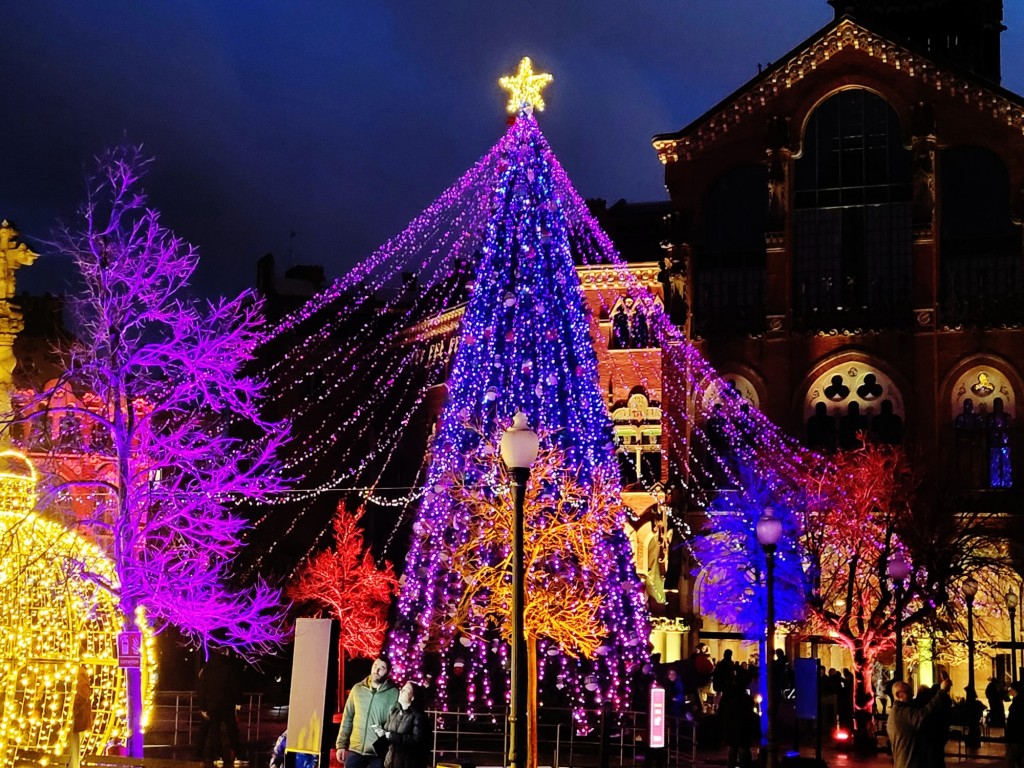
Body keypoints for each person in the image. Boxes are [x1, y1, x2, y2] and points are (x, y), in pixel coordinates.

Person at [336, 658, 400, 768]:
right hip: (355, 750)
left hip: (378, 754)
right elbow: (348, 717)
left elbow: (395, 723)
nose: (377, 670)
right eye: (375, 666)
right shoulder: (357, 689)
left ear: (388, 672)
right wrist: (341, 745)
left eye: (382, 668)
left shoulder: (393, 693)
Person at [887, 677, 952, 768]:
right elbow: (925, 714)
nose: (912, 694)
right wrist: (941, 692)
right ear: (899, 695)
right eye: (908, 692)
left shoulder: (899, 711)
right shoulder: (903, 712)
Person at [196, 648, 242, 766]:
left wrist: (203, 706)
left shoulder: (207, 669)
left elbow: (202, 689)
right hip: (227, 703)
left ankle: (218, 755)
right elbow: (235, 685)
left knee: (215, 730)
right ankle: (238, 754)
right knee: (232, 729)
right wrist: (238, 701)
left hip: (212, 704)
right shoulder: (230, 667)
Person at [374, 681, 430, 768]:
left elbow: (417, 741)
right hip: (390, 763)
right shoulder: (394, 712)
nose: (400, 691)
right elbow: (388, 734)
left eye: (405, 690)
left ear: (412, 697)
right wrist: (382, 734)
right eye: (401, 689)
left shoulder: (419, 716)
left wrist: (392, 736)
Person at [718, 671, 758, 768]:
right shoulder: (747, 700)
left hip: (731, 729)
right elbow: (750, 715)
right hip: (743, 730)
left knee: (732, 754)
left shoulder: (728, 697)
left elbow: (721, 711)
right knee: (743, 754)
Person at [69, 667, 93, 768]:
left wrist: (71, 712)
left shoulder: (77, 671)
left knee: (72, 755)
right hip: (71, 721)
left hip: (76, 722)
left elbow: (82, 695)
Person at [1006, 680, 1022, 768]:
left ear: (1015, 690)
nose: (1009, 690)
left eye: (1010, 688)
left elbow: (1013, 721)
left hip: (1015, 737)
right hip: (1018, 737)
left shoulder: (1016, 704)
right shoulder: (1018, 702)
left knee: (1011, 760)